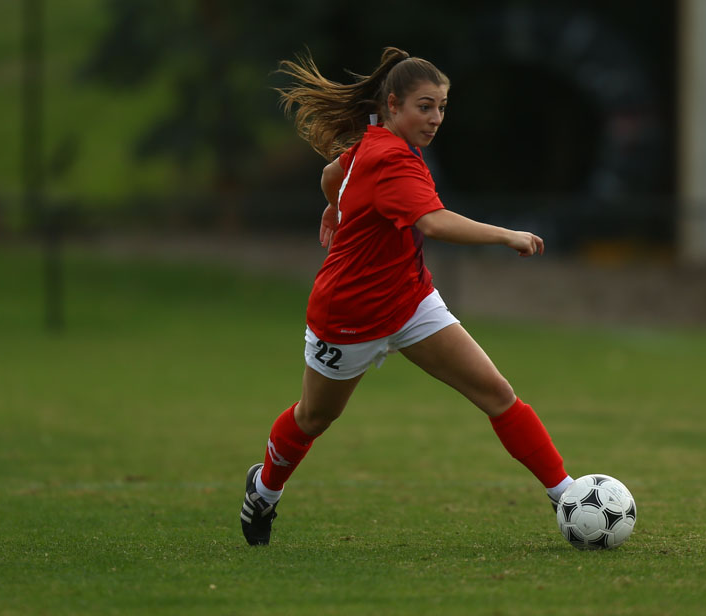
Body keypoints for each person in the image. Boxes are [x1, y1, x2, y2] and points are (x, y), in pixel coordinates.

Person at [241, 46, 574, 546]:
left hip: (410, 301)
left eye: (441, 106)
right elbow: (434, 222)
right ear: (393, 105)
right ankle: (263, 491)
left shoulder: (380, 143)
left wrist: (336, 207)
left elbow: (332, 175)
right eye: (425, 106)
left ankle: (567, 495)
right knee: (315, 417)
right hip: (347, 315)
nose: (436, 117)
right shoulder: (390, 157)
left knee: (496, 393)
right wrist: (507, 235)